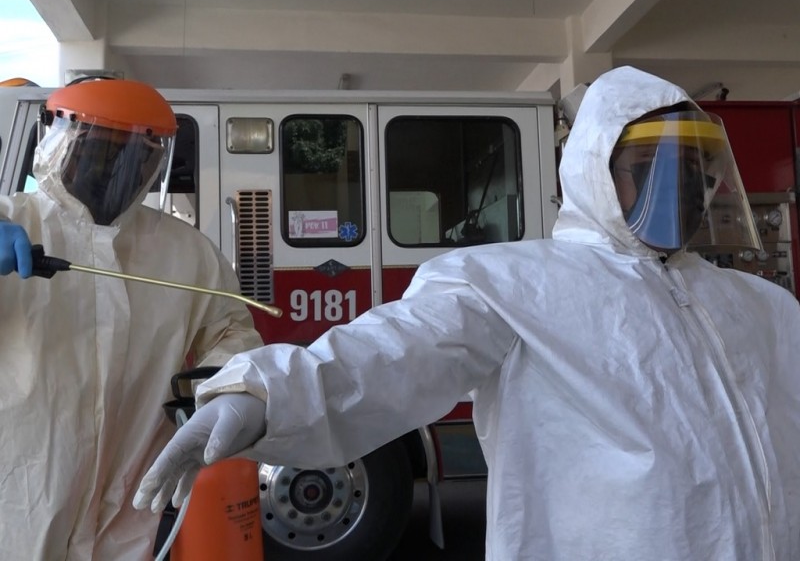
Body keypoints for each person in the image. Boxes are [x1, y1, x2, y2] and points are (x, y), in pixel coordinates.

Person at [134, 66, 800, 560]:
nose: (677, 190)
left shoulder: (761, 307)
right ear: (596, 171)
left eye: (692, 171)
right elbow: (392, 352)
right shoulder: (514, 285)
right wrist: (260, 396)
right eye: (651, 168)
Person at [0, 78, 265, 560]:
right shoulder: (12, 224)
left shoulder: (184, 252)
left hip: (127, 507)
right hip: (21, 496)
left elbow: (231, 331)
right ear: (59, 140)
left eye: (133, 153)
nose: (113, 168)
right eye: (98, 148)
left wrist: (219, 398)